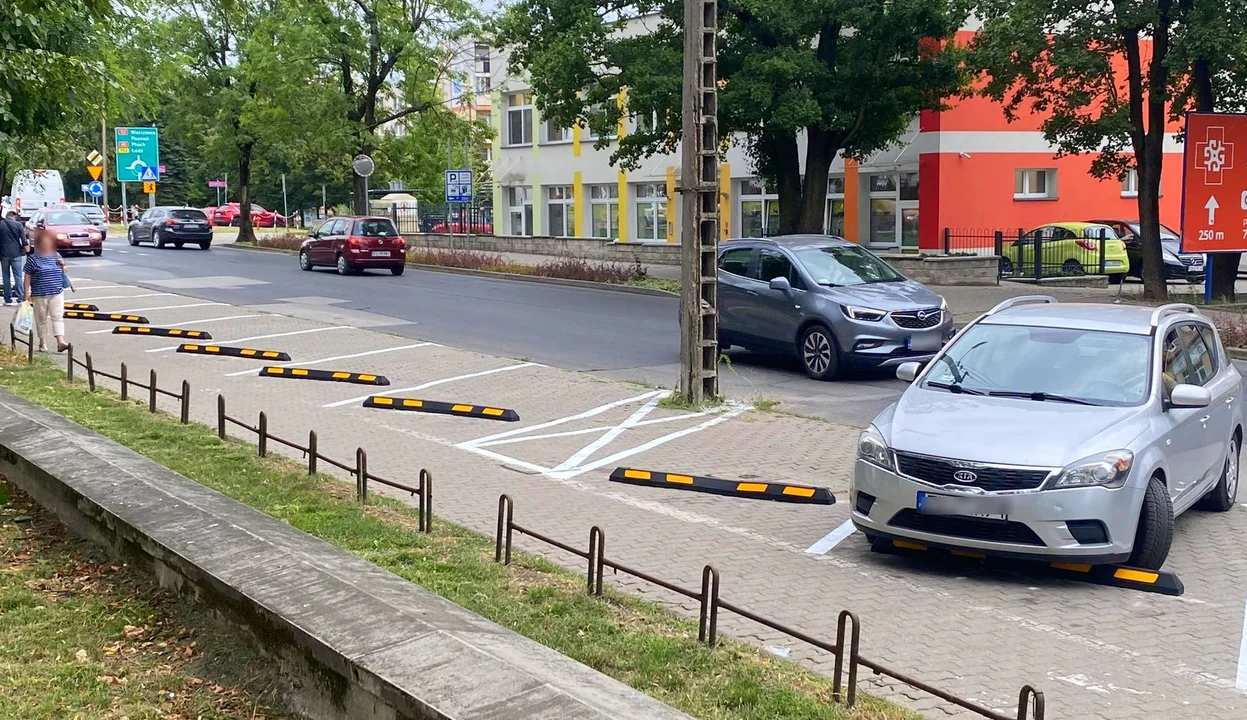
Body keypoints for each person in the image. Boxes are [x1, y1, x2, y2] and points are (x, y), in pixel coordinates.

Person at [23, 228, 69, 353]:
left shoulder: (56, 255)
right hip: (39, 294)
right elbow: (27, 276)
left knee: (57, 316)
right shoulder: (33, 259)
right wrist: (26, 293)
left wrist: (63, 264)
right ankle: (42, 342)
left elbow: (64, 270)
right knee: (41, 319)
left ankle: (60, 342)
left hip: (56, 291)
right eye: (43, 243)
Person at [0, 210, 28, 306]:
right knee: (18, 276)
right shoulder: (18, 225)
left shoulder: (1, 224)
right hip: (16, 253)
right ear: (13, 216)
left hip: (3, 254)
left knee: (6, 277)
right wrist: (27, 249)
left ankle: (7, 298)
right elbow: (24, 240)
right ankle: (20, 297)